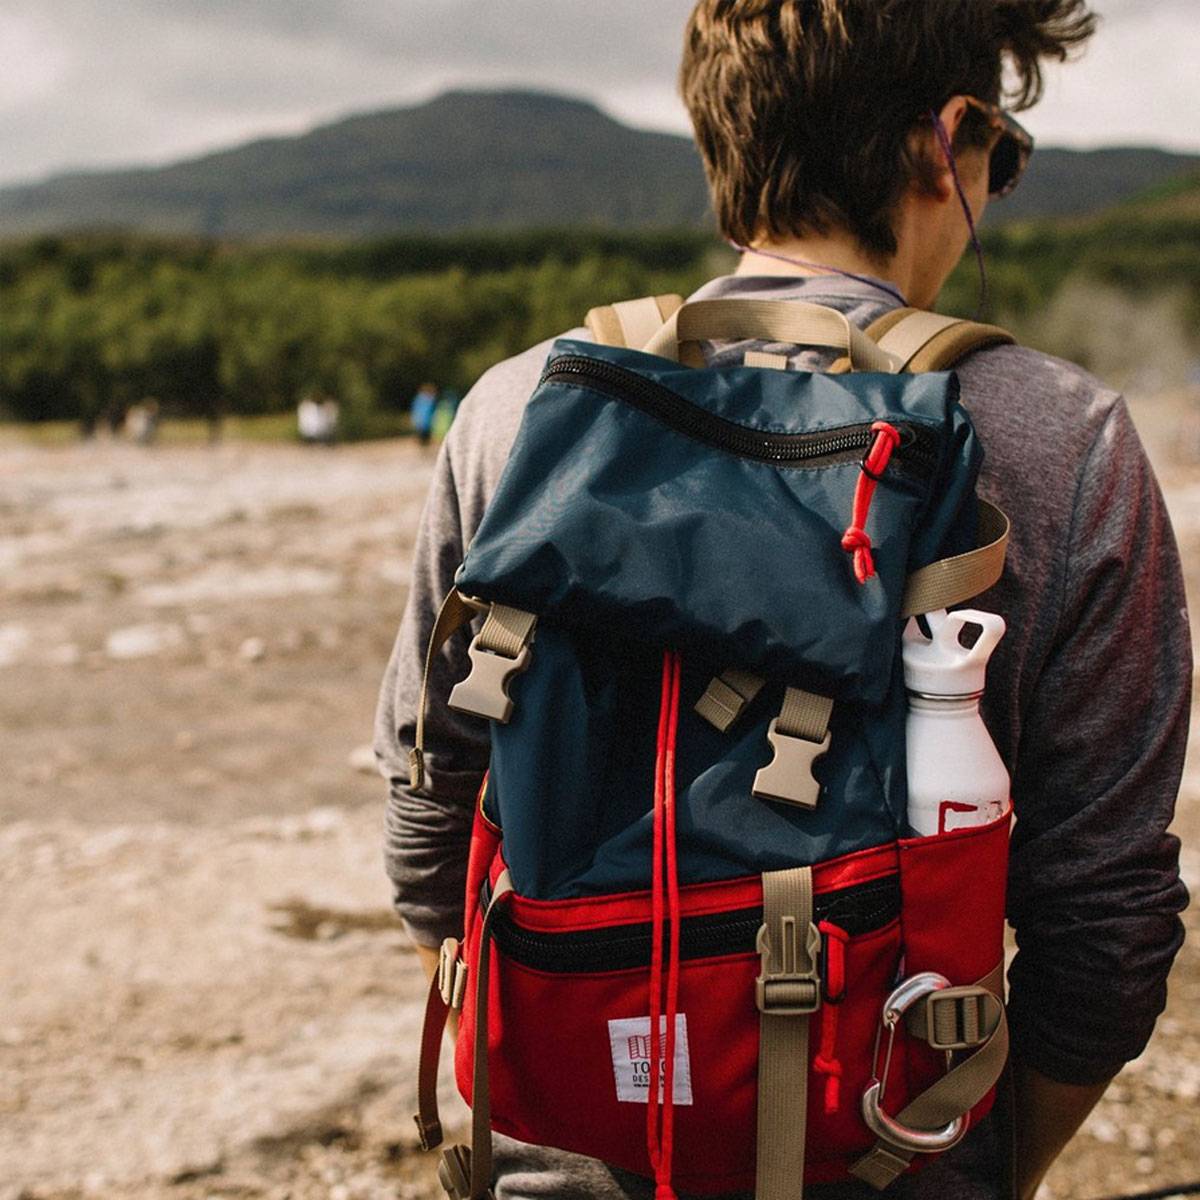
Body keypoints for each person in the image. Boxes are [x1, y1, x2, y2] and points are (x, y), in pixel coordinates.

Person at [375, 3, 1190, 1197]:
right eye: (998, 158)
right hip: (891, 1147)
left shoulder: (516, 407)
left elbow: (425, 828)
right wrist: (980, 1165)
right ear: (949, 140)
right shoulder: (1065, 442)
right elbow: (1110, 935)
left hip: (562, 1150)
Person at [410, 382, 438, 447]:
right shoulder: (427, 400)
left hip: (422, 422)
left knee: (423, 441)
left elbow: (415, 410)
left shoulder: (419, 399)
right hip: (424, 423)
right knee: (424, 440)